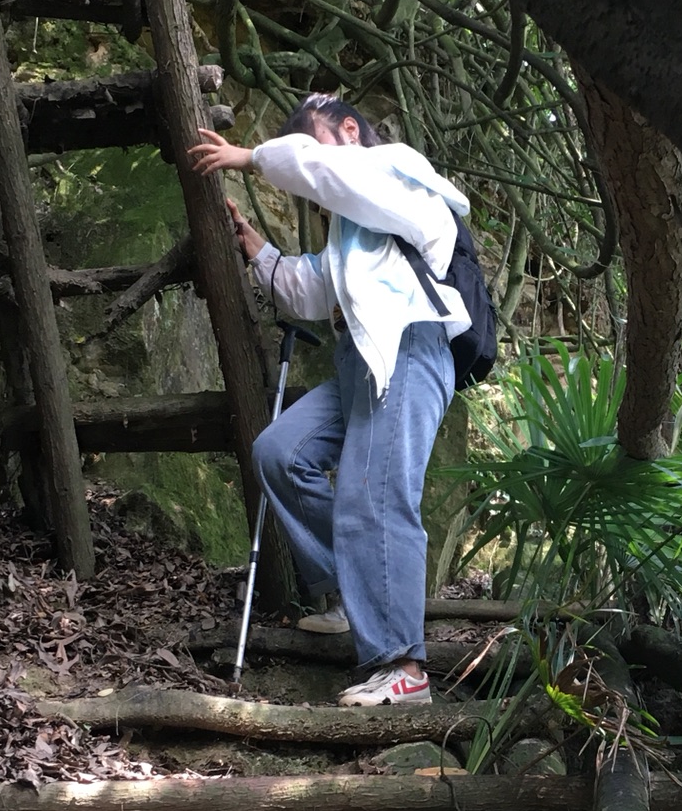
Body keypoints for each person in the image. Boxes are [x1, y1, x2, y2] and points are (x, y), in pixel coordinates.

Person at [189, 93, 471, 707]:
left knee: (376, 493)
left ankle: (405, 667)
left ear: (349, 130)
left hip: (407, 346)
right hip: (359, 361)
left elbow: (321, 168)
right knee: (279, 455)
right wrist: (256, 247)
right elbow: (314, 290)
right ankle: (354, 592)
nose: (310, 162)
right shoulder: (353, 228)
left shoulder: (398, 170)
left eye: (317, 142)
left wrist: (250, 156)